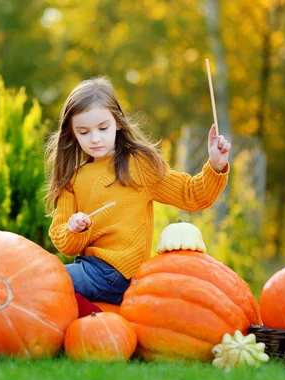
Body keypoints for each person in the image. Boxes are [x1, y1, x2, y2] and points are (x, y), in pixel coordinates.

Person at [45, 77, 231, 317]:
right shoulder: (72, 180)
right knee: (48, 278)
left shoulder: (139, 165)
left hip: (118, 273)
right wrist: (74, 229)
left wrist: (215, 166)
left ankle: (92, 314)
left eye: (103, 128)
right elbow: (63, 241)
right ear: (72, 133)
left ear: (118, 123)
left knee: (49, 281)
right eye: (84, 132)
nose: (95, 139)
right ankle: (94, 317)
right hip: (90, 269)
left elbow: (192, 195)